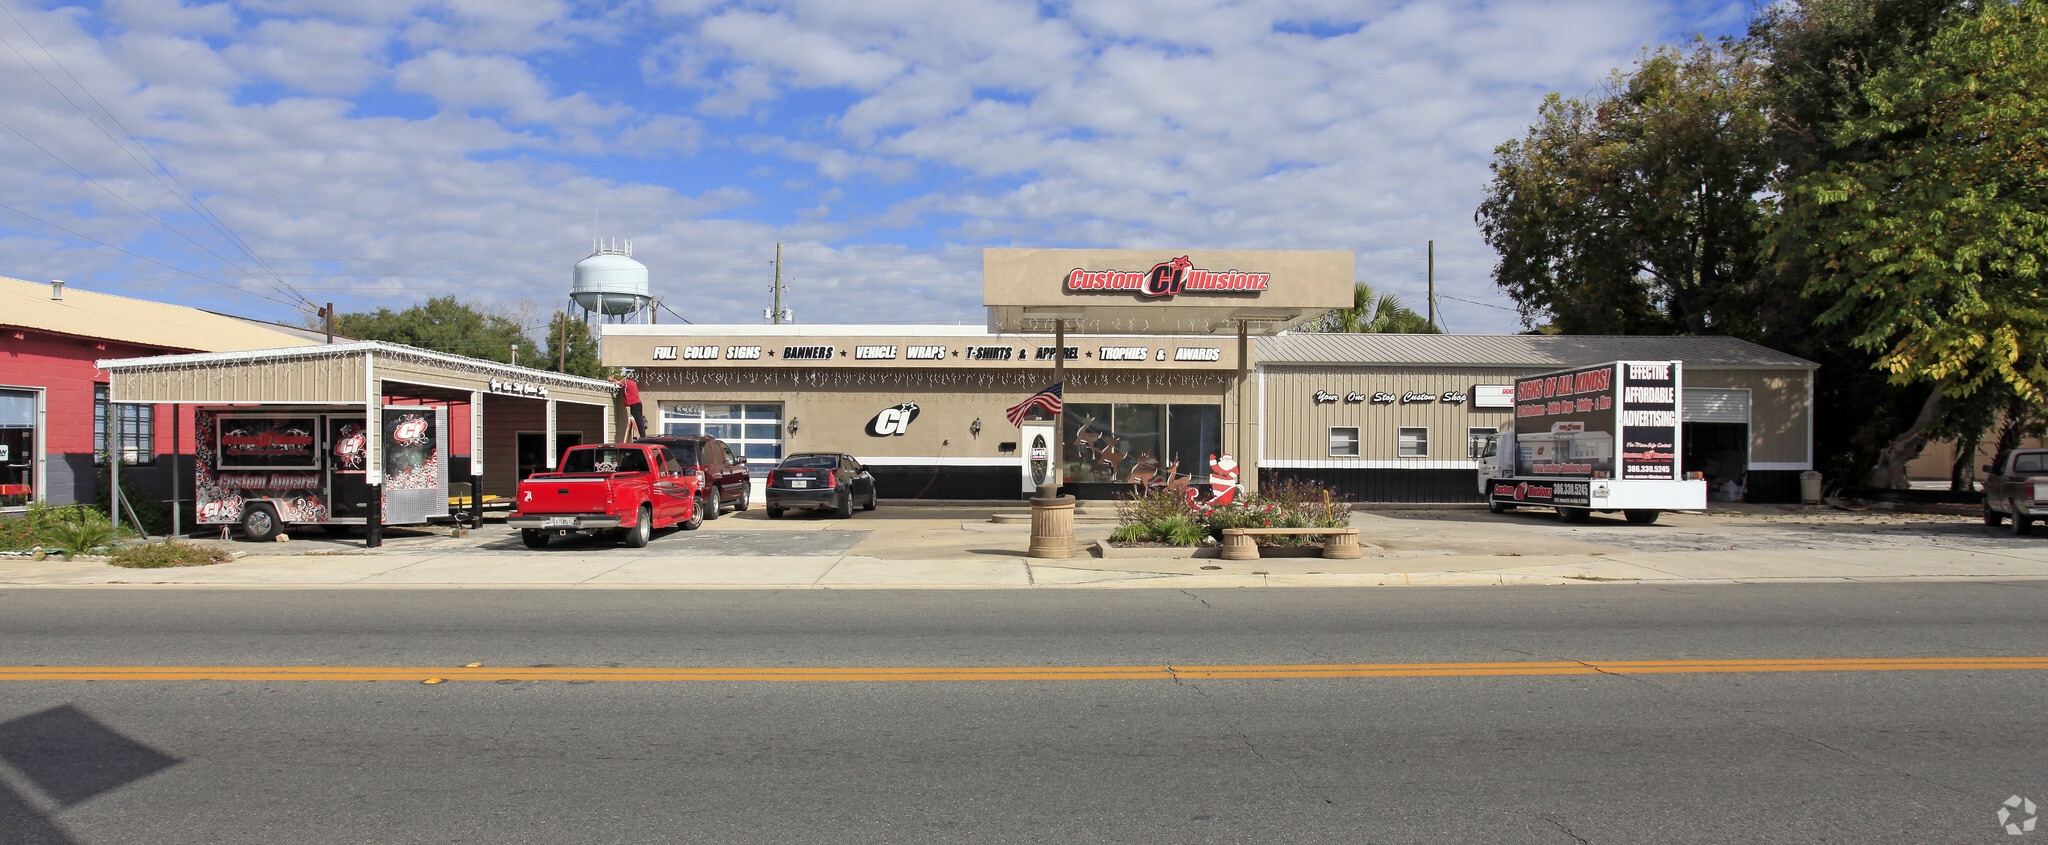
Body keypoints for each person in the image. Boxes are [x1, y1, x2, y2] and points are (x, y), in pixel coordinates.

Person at [612, 370, 645, 441]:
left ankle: (642, 436)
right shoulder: (633, 383)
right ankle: (642, 434)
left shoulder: (628, 383)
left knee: (638, 419)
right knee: (639, 419)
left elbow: (619, 383)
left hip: (634, 404)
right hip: (637, 403)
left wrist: (611, 379)